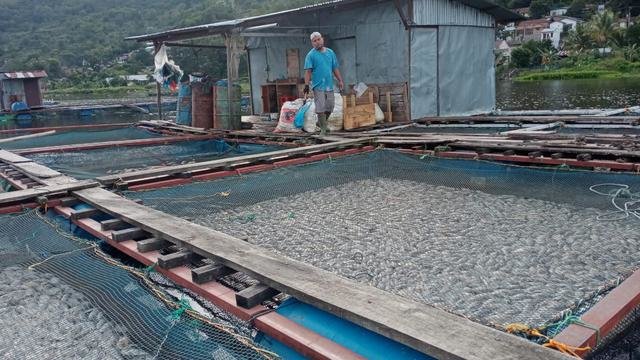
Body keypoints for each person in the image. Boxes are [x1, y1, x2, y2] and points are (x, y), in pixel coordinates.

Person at [303, 32, 344, 135]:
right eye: (314, 41)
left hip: (329, 85)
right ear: (312, 43)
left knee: (330, 106)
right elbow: (308, 71)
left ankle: (320, 123)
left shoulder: (330, 52)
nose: (317, 42)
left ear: (322, 39)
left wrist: (340, 80)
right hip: (318, 86)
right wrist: (306, 85)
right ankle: (323, 129)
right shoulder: (310, 55)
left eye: (318, 39)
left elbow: (335, 68)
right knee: (320, 107)